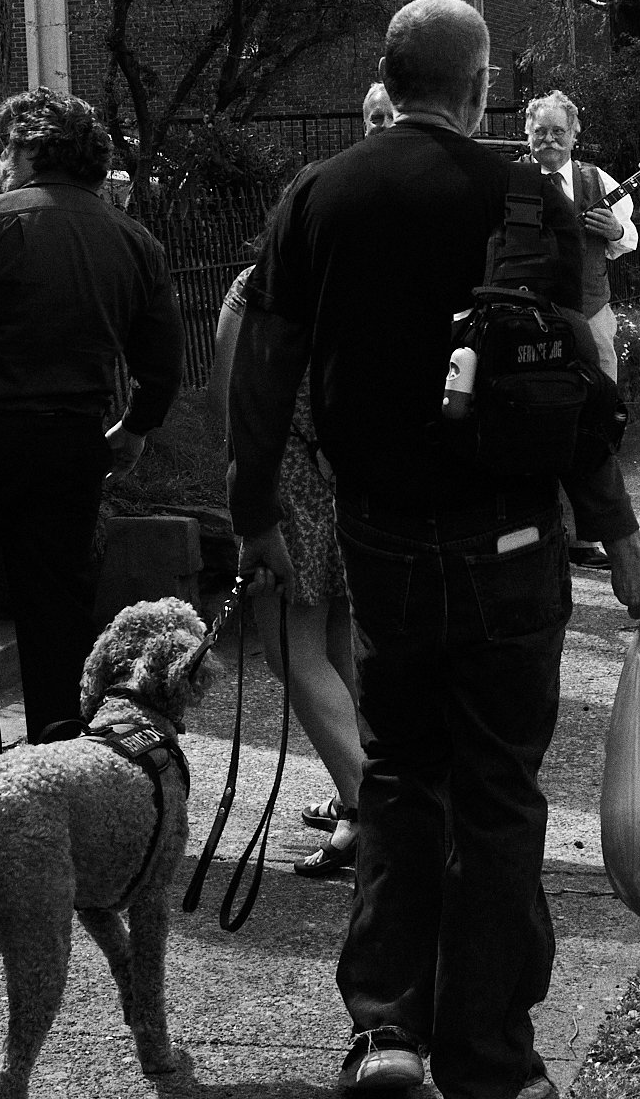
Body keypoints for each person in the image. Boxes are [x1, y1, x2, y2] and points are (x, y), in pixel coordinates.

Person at [226, 0, 640, 1099]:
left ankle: (386, 1028)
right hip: (507, 538)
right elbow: (575, 387)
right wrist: (618, 537)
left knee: (400, 777)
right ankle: (492, 1058)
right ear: (477, 90)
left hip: (380, 536)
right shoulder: (523, 193)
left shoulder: (318, 195)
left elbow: (265, 363)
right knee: (499, 796)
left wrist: (254, 511)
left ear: (388, 78)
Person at [0, 88, 186, 793]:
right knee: (57, 608)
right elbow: (162, 361)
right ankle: (57, 768)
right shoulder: (134, 241)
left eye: (6, 148)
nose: (1, 161)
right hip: (71, 443)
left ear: (27, 149)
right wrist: (135, 428)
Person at [208, 244, 364, 878]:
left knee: (291, 649)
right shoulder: (358, 279)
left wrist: (246, 502)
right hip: (348, 481)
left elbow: (229, 404)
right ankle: (377, 794)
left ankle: (368, 806)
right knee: (339, 643)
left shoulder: (259, 287)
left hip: (283, 479)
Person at [522, 90, 638, 570]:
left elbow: (630, 238)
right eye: (540, 132)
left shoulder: (598, 180)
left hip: (592, 317)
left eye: (558, 131)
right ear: (527, 134)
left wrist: (613, 230)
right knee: (537, 424)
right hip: (533, 322)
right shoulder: (514, 179)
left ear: (574, 135)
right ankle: (546, 532)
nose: (549, 140)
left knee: (595, 423)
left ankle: (589, 534)